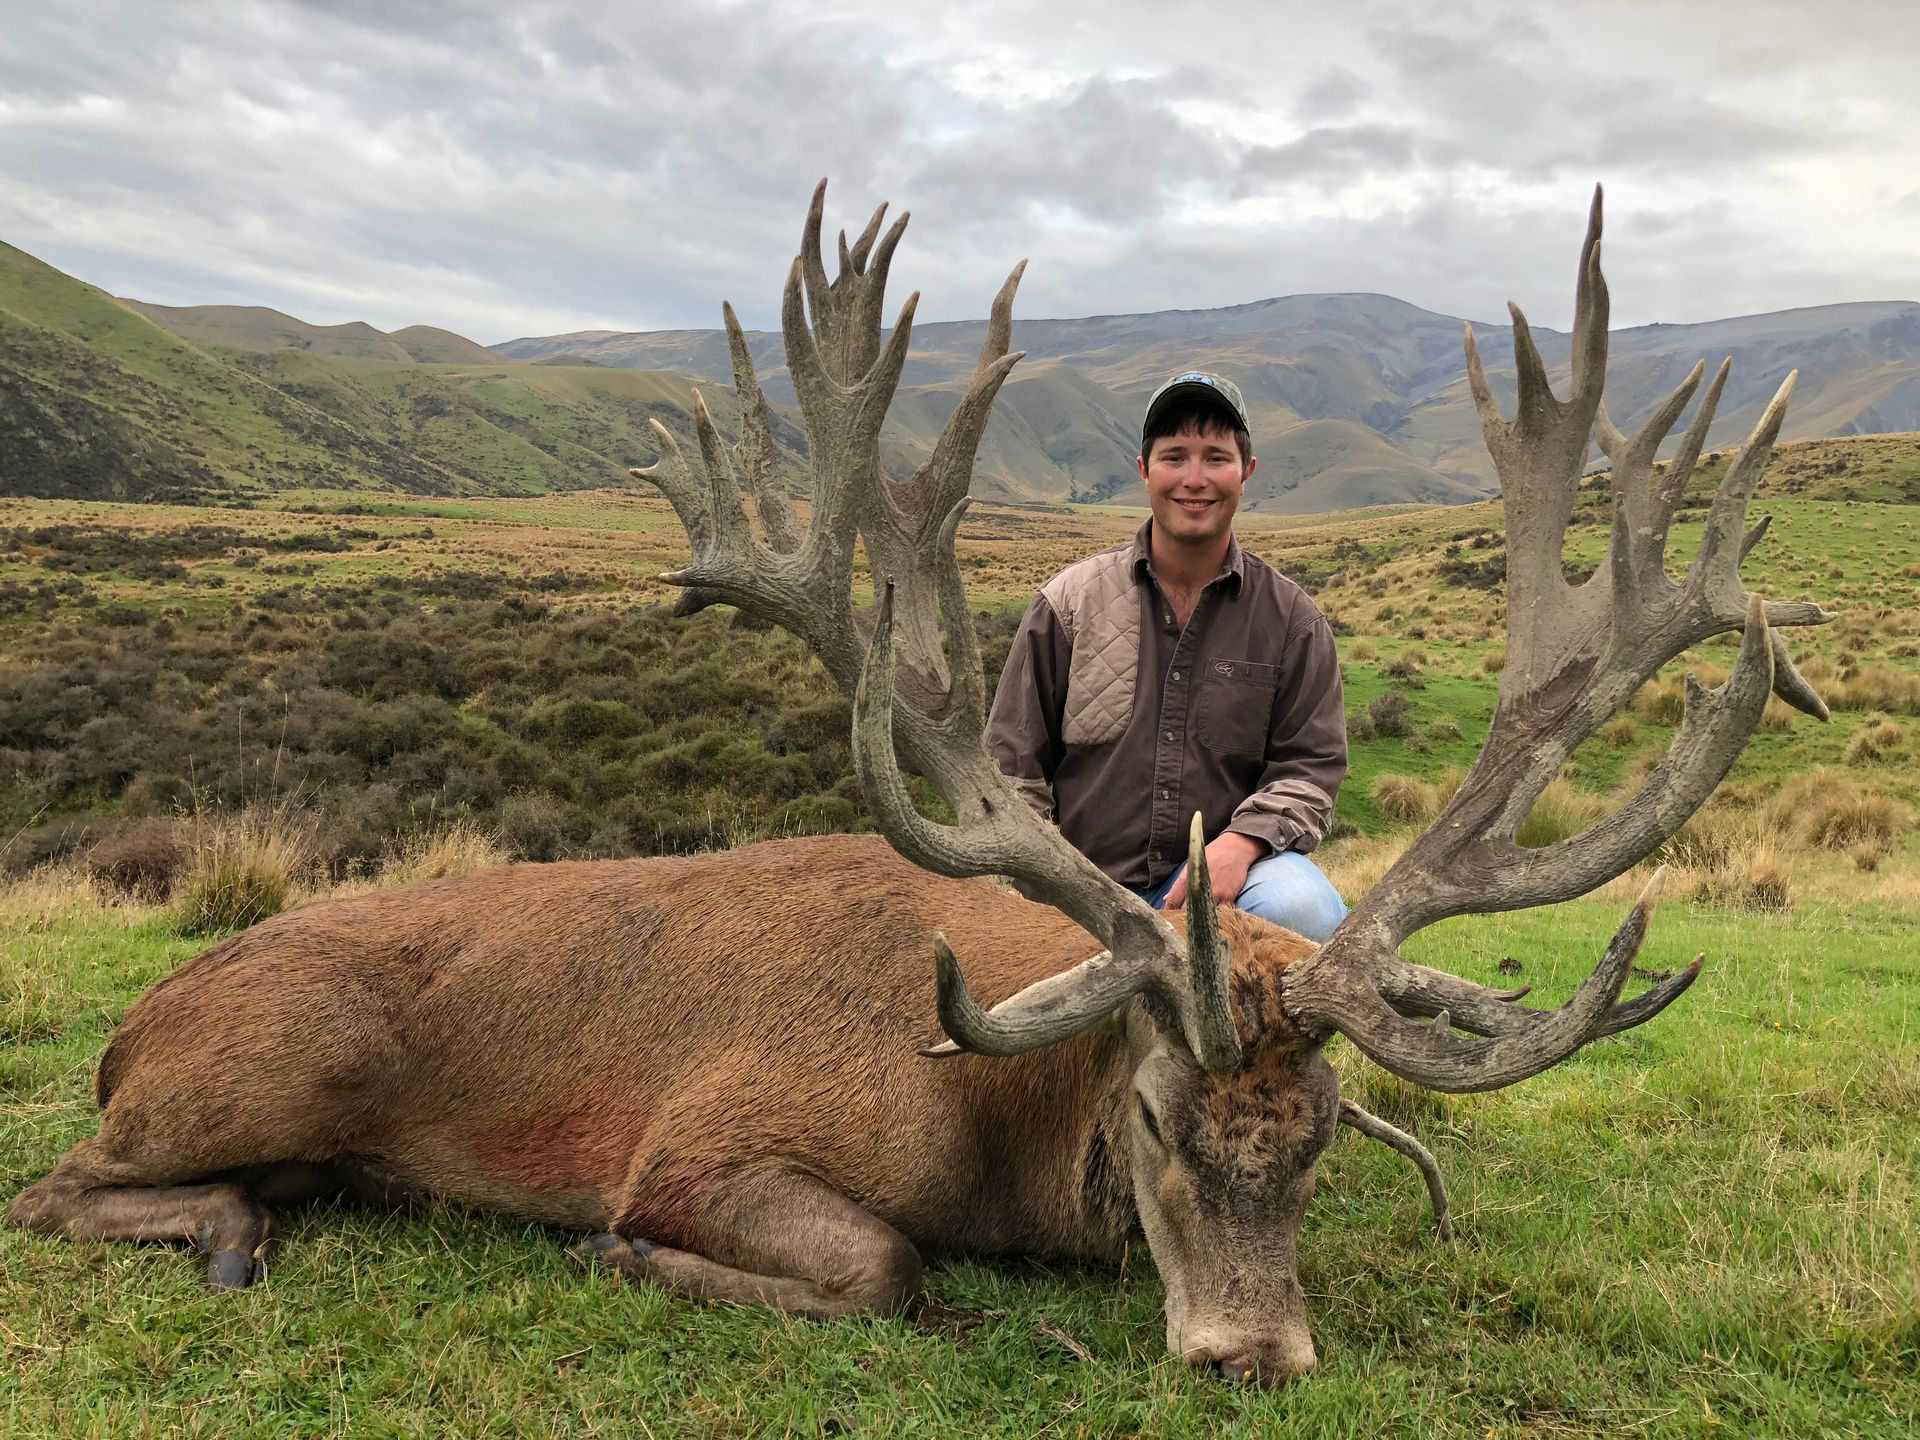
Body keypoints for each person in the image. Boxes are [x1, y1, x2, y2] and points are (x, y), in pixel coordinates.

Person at [985, 370, 1349, 941]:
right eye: (1175, 457)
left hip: (1223, 889)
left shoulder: (1292, 623)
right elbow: (1010, 770)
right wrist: (1048, 877)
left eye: (1216, 458)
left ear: (1246, 472)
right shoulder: (1067, 605)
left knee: (1306, 910)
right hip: (1079, 892)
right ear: (1144, 470)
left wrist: (1244, 840)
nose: (1195, 480)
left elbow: (1310, 769)